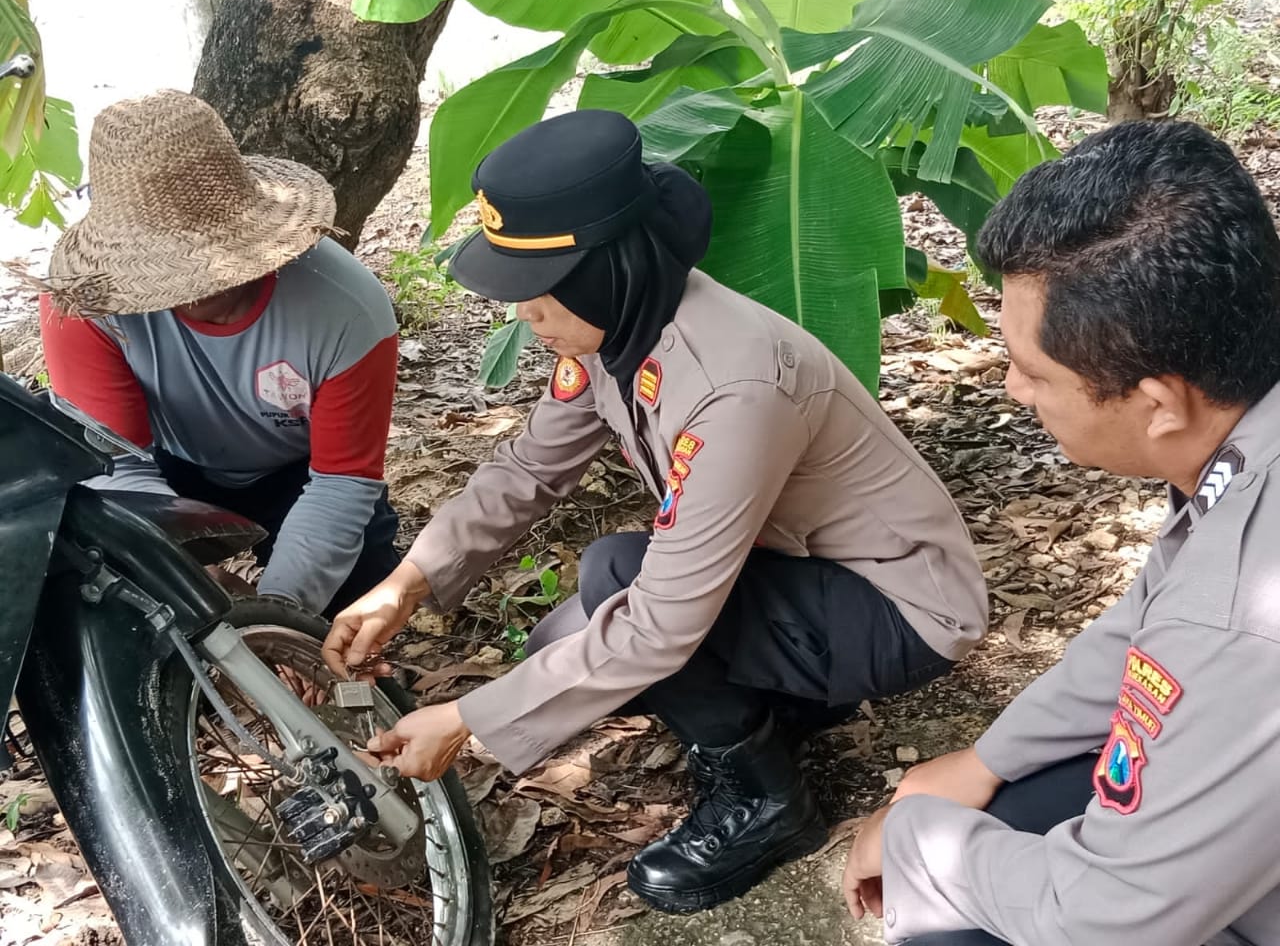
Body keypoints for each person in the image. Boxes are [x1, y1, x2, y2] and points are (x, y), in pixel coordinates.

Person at [322, 109, 988, 913]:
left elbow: (664, 621)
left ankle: (768, 804)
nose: (523, 315)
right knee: (574, 632)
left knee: (621, 587)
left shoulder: (735, 386)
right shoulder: (622, 332)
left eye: (537, 292)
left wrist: (467, 720)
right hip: (802, 571)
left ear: (607, 270)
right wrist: (409, 583)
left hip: (899, 607)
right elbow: (529, 466)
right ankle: (789, 705)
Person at [842, 119, 1280, 946]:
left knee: (950, 919)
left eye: (1036, 372)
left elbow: (1104, 919)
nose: (1013, 389)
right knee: (1013, 805)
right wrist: (983, 762)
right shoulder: (1241, 441)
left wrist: (910, 843)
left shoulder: (1242, 616)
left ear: (1159, 405)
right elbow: (1145, 627)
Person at [37, 90, 400, 618]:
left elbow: (341, 482)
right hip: (165, 466)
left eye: (204, 262)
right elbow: (117, 463)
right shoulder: (84, 301)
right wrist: (184, 570)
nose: (191, 289)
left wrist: (277, 614)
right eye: (167, 268)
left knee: (354, 613)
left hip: (303, 470)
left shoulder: (345, 309)